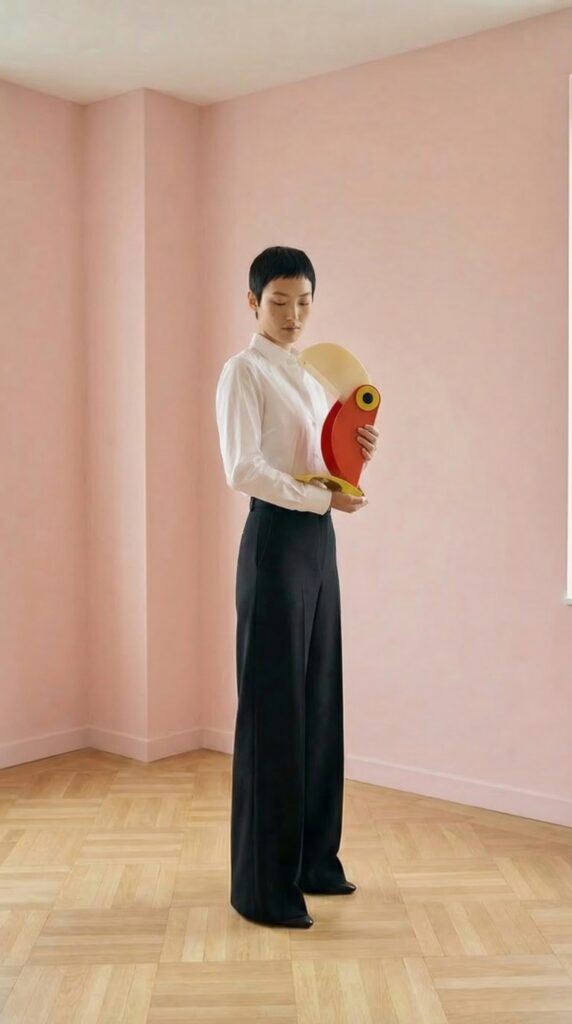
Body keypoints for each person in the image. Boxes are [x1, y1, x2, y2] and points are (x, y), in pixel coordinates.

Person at [215, 246, 378, 928]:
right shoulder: (243, 372)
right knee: (273, 714)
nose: (292, 315)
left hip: (317, 543)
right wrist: (319, 499)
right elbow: (243, 468)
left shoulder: (310, 377)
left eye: (304, 302)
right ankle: (262, 887)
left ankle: (314, 861)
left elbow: (314, 461)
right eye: (279, 302)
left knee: (318, 701)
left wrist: (353, 457)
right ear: (253, 302)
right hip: (275, 543)